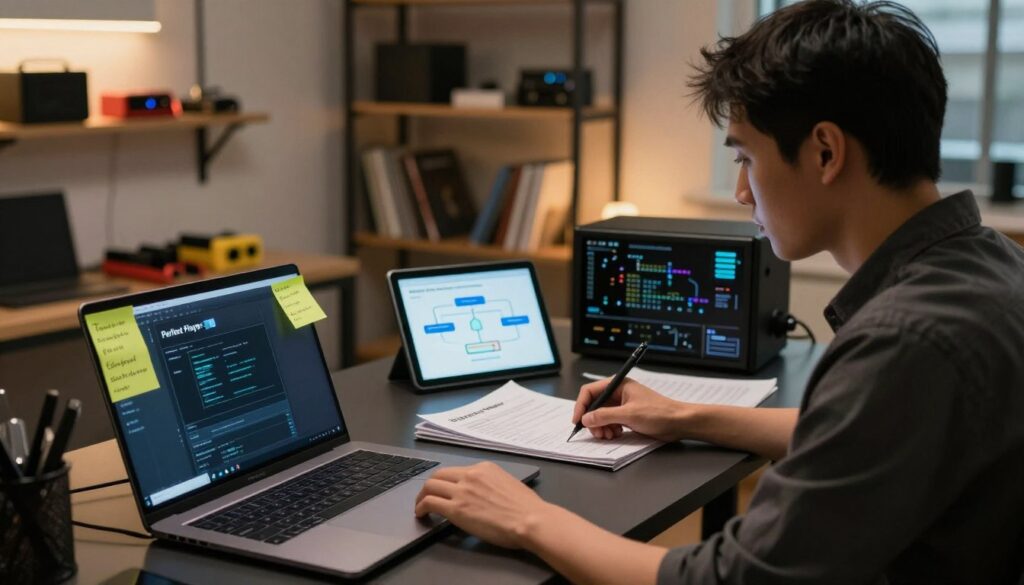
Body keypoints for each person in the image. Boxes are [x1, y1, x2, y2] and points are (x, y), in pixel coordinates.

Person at [413, 1, 1024, 582]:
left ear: (825, 152)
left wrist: (527, 519)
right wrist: (685, 417)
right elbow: (866, 434)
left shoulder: (906, 341)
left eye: (746, 158)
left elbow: (733, 577)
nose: (740, 192)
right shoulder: (988, 264)